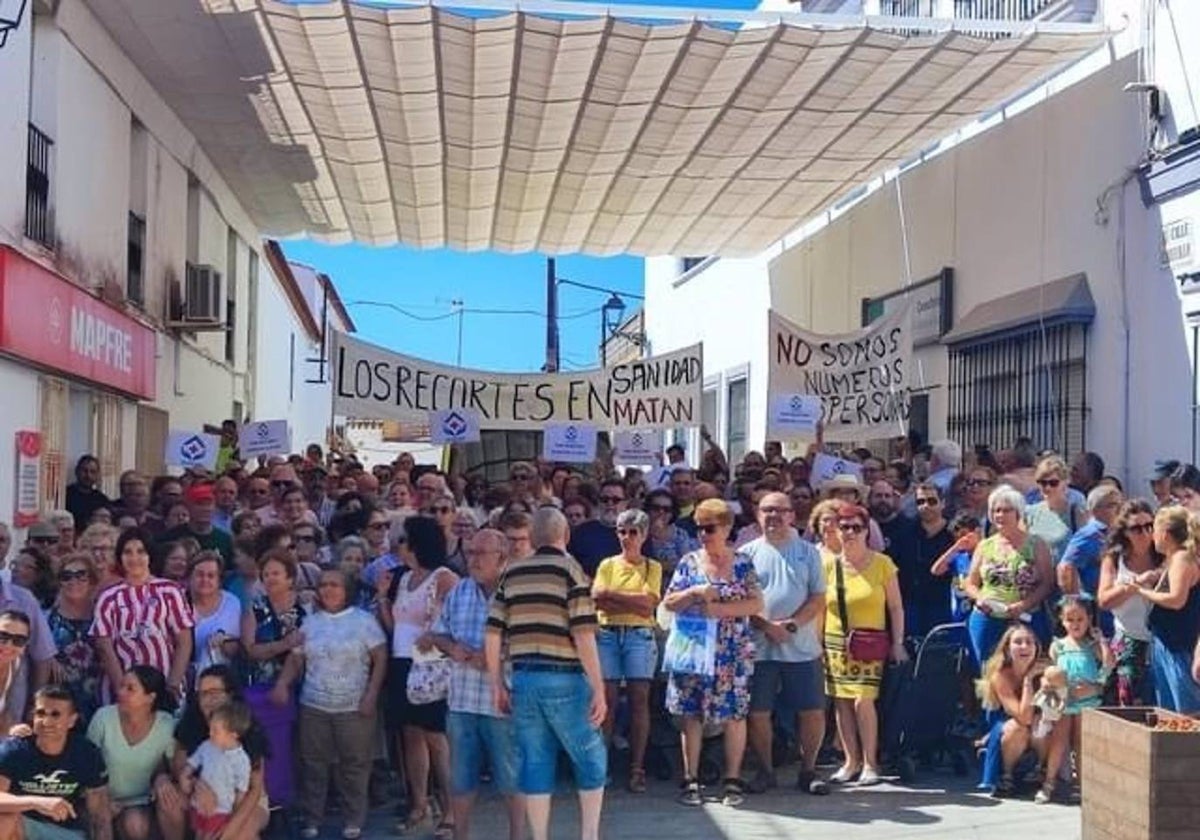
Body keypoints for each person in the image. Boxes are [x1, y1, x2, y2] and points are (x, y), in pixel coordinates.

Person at [485, 507, 607, 840]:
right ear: (564, 536)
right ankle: (589, 835)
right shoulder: (571, 572)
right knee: (590, 758)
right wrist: (599, 687)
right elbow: (583, 634)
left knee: (535, 763)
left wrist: (497, 684)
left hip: (524, 678)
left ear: (534, 538)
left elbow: (493, 632)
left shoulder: (512, 574)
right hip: (564, 676)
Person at [661, 499, 763, 807]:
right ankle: (690, 779)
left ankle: (732, 780)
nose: (703, 535)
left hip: (732, 650)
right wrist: (693, 593)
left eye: (710, 528)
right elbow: (669, 602)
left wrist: (718, 609)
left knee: (734, 714)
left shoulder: (743, 562)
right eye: (699, 528)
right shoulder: (689, 562)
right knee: (691, 714)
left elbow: (756, 604)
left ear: (727, 528)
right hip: (694, 650)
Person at [272, 568, 387, 840]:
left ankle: (354, 818)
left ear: (347, 589)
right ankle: (313, 819)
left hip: (354, 707)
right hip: (314, 705)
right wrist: (282, 684)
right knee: (314, 765)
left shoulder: (364, 621)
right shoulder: (311, 622)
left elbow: (380, 658)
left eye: (335, 584)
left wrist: (371, 694)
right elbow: (296, 657)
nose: (328, 589)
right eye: (323, 585)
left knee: (355, 765)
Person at [428, 530, 525, 840]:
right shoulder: (459, 591)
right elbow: (438, 633)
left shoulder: (518, 593)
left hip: (503, 699)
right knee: (461, 777)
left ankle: (518, 836)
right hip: (462, 700)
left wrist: (495, 654)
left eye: (482, 553)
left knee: (511, 777)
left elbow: (533, 639)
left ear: (502, 557)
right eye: (470, 553)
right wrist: (452, 648)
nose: (474, 559)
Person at [375, 516, 458, 838]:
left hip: (430, 665)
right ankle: (420, 804)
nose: (399, 546)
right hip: (402, 663)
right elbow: (396, 626)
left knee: (437, 739)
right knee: (410, 736)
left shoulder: (444, 577)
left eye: (403, 540)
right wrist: (383, 596)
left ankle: (450, 810)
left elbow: (446, 621)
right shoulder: (406, 577)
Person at [742, 492, 828, 796]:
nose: (773, 516)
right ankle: (765, 771)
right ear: (757, 514)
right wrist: (766, 626)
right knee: (758, 712)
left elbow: (818, 597)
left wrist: (791, 625)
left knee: (812, 711)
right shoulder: (746, 553)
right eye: (767, 510)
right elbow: (739, 601)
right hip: (758, 646)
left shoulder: (808, 552)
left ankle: (809, 770)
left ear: (792, 515)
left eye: (780, 510)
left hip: (802, 646)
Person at [822, 502, 906, 786]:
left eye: (856, 527)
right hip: (835, 642)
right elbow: (821, 607)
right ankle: (850, 761)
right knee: (842, 702)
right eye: (844, 527)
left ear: (866, 530)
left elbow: (895, 607)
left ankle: (871, 762)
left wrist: (898, 642)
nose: (849, 533)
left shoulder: (882, 564)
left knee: (864, 700)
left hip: (870, 641)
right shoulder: (829, 565)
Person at [590, 510, 662, 794]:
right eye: (622, 531)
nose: (627, 537)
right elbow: (597, 599)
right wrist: (630, 602)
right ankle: (601, 765)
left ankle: (637, 767)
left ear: (644, 535)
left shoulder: (651, 566)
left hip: (638, 636)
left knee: (639, 700)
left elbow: (648, 605)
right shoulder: (607, 564)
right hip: (608, 634)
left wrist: (613, 597)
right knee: (604, 701)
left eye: (633, 532)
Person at [153, 666, 270, 840]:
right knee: (168, 800)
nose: (208, 700)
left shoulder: (248, 727)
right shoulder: (191, 726)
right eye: (203, 694)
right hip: (199, 792)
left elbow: (254, 788)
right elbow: (181, 768)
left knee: (240, 834)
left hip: (243, 798)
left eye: (215, 692)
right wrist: (198, 787)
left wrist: (230, 829)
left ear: (231, 695)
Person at [92, 528, 194, 703]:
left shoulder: (170, 591)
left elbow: (184, 642)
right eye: (127, 552)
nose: (134, 558)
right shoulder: (109, 597)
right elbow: (104, 647)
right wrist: (122, 689)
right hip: (121, 687)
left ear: (150, 555)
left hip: (164, 683)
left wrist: (172, 684)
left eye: (141, 551)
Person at [240, 549, 306, 812]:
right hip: (259, 688)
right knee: (269, 747)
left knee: (298, 747)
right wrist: (284, 644)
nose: (270, 578)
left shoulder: (305, 609)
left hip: (300, 686)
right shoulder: (254, 609)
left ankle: (294, 806)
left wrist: (287, 652)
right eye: (265, 573)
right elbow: (250, 649)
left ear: (290, 577)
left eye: (276, 573)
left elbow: (302, 650)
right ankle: (266, 803)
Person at [0, 685, 112, 840]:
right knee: (5, 819)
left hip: (65, 832)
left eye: (55, 715)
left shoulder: (86, 754)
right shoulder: (14, 750)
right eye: (40, 713)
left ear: (72, 720)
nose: (46, 721)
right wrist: (37, 802)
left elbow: (100, 818)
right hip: (23, 826)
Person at [963, 486, 1054, 663]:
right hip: (988, 618)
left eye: (1006, 510)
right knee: (986, 671)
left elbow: (1047, 583)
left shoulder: (1036, 544)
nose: (1000, 515)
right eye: (996, 511)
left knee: (1029, 668)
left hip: (1025, 617)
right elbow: (970, 583)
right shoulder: (985, 546)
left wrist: (1023, 605)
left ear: (1018, 513)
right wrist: (980, 598)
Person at [86, 667, 177, 840]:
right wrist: (102, 802)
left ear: (150, 697)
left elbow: (170, 765)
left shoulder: (166, 724)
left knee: (136, 824)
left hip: (140, 802)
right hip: (100, 796)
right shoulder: (103, 718)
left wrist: (162, 776)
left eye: (130, 689)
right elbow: (87, 765)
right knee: (101, 819)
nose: (120, 692)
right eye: (121, 686)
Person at [976, 625, 1060, 798]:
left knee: (1041, 723)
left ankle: (1040, 769)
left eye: (1029, 642)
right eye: (1018, 642)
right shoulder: (1000, 675)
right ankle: (1006, 775)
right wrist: (1028, 680)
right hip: (1007, 723)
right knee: (1018, 728)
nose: (1024, 647)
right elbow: (1024, 717)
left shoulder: (1045, 669)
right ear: (1007, 648)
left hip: (1038, 723)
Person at [1042, 596, 1112, 801]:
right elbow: (1051, 670)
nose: (1075, 624)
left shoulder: (1092, 645)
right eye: (1070, 620)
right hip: (1064, 701)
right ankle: (1049, 782)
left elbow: (1109, 664)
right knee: (1059, 741)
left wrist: (1102, 641)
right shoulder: (1058, 646)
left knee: (1081, 743)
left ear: (1089, 619)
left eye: (1080, 619)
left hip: (1088, 700)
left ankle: (1081, 785)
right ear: (1062, 621)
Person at [1097, 500, 1162, 705]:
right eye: (1136, 528)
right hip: (1129, 641)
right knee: (1129, 703)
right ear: (1125, 532)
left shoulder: (1164, 555)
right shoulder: (1115, 558)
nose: (1144, 533)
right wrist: (1133, 586)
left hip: (1163, 641)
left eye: (1149, 526)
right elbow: (1104, 600)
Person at [1138, 506, 1200, 712]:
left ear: (1164, 532)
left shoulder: (1182, 558)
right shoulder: (1174, 558)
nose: (1152, 536)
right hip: (1165, 640)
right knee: (1167, 709)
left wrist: (1143, 592)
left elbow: (1176, 600)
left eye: (1154, 529)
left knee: (1186, 709)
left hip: (1178, 645)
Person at [180, 701, 252, 839]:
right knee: (198, 834)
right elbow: (192, 763)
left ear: (233, 734)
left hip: (221, 810)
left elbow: (241, 791)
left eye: (216, 730)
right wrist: (185, 775)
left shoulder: (241, 760)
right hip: (200, 804)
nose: (210, 733)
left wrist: (234, 815)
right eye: (210, 728)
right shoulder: (207, 746)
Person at [1058, 484, 1124, 628]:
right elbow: (1065, 568)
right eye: (1112, 505)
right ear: (1095, 510)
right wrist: (1078, 604)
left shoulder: (1120, 532)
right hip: (1099, 612)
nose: (1119, 509)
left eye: (1120, 504)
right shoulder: (1088, 535)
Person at [46, 554, 103, 721]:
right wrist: (49, 658)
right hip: (59, 699)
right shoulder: (48, 618)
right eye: (66, 576)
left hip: (98, 697)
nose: (73, 581)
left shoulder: (103, 615)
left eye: (81, 575)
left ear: (92, 580)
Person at [1024, 457, 1086, 564]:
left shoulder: (1076, 513)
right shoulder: (1029, 512)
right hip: (1038, 576)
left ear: (1065, 482)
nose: (1047, 488)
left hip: (1064, 577)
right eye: (1042, 483)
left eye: (1053, 483)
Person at [188, 554, 241, 675]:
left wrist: (223, 642)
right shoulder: (178, 600)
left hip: (219, 674)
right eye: (199, 574)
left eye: (211, 576)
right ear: (190, 577)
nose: (205, 580)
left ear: (219, 580)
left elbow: (235, 648)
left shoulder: (231, 603)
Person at [568, 479, 626, 578]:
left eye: (616, 500)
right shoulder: (581, 532)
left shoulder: (637, 534)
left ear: (625, 503)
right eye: (605, 499)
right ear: (599, 502)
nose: (610, 504)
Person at [66, 455, 112, 532]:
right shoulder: (66, 495)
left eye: (92, 472)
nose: (88, 475)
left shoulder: (102, 499)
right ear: (77, 471)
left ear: (97, 475)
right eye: (84, 471)